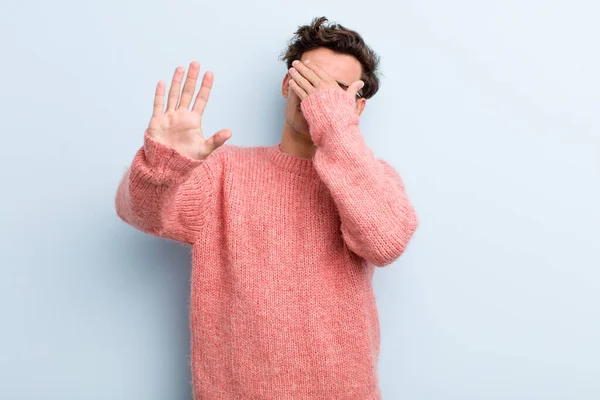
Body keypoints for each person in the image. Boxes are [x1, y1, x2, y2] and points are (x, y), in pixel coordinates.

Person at [115, 16, 418, 400]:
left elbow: (386, 242)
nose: (315, 96)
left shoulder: (373, 179)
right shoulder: (223, 171)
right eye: (308, 79)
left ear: (357, 108)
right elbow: (140, 212)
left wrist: (334, 125)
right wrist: (164, 166)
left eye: (334, 89)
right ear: (286, 84)